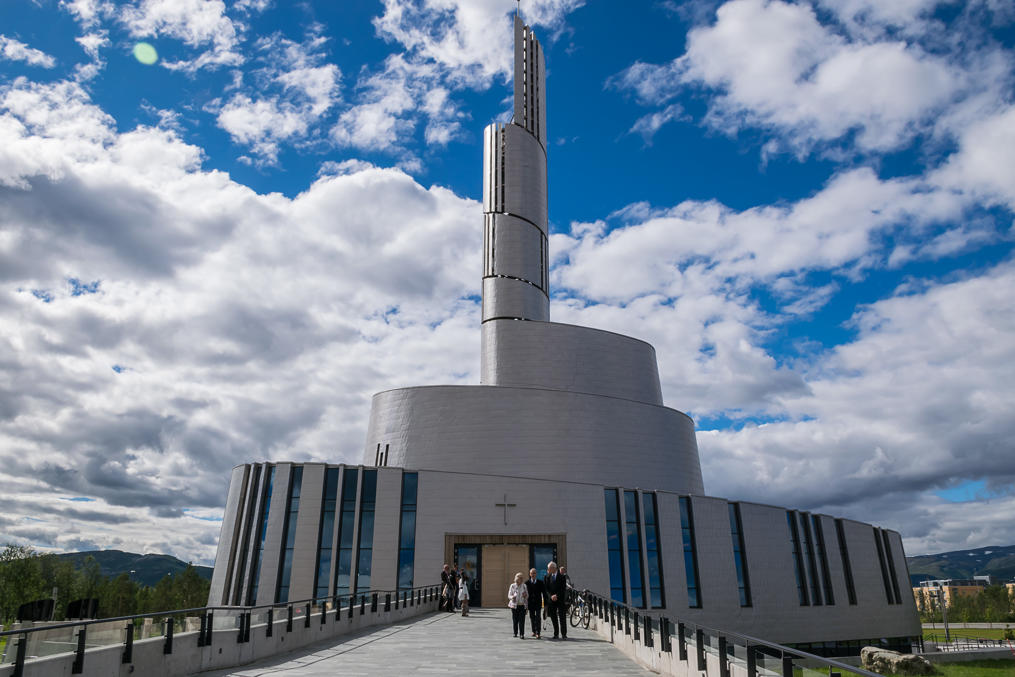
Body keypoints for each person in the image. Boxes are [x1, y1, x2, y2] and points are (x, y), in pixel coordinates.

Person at [543, 561, 568, 639]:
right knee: (553, 617)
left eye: (549, 568)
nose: (548, 570)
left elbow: (563, 589)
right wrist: (551, 596)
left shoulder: (562, 577)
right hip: (551, 600)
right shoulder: (547, 577)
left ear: (553, 568)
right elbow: (546, 589)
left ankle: (564, 634)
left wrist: (556, 595)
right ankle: (556, 633)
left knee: (562, 617)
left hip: (560, 599)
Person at [524, 567, 544, 638]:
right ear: (530, 574)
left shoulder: (540, 582)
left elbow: (543, 593)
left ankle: (538, 632)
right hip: (530, 603)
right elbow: (525, 594)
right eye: (532, 573)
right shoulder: (526, 583)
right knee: (532, 617)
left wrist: (545, 603)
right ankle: (534, 631)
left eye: (534, 573)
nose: (533, 574)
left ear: (536, 574)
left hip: (538, 603)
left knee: (538, 617)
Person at [508, 572, 528, 638]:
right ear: (516, 579)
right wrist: (512, 597)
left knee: (522, 620)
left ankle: (522, 634)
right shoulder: (512, 586)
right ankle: (515, 633)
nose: (520, 580)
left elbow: (527, 595)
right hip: (514, 606)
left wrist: (525, 595)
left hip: (522, 605)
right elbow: (509, 595)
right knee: (515, 620)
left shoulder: (524, 586)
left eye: (521, 578)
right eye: (519, 578)